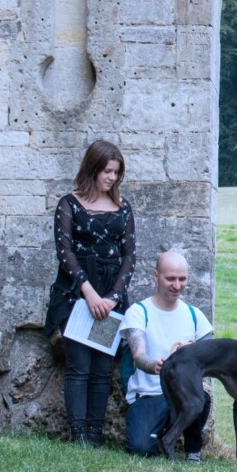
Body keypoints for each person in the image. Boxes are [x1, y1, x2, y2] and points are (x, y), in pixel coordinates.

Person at [45, 139, 136, 447]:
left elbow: (129, 257)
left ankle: (95, 436)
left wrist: (111, 297)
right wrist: (89, 294)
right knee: (78, 365)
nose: (111, 177)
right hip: (76, 295)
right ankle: (79, 435)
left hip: (111, 296)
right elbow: (65, 252)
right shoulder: (69, 204)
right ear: (93, 169)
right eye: (107, 171)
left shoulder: (123, 209)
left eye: (116, 172)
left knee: (101, 368)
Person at [119, 251, 213, 459]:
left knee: (202, 399)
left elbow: (213, 355)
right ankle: (160, 435)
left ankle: (193, 450)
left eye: (182, 279)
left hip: (184, 394)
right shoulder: (138, 311)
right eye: (170, 279)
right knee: (140, 449)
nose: (177, 286)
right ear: (155, 276)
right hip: (149, 394)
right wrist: (156, 366)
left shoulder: (194, 315)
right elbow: (139, 356)